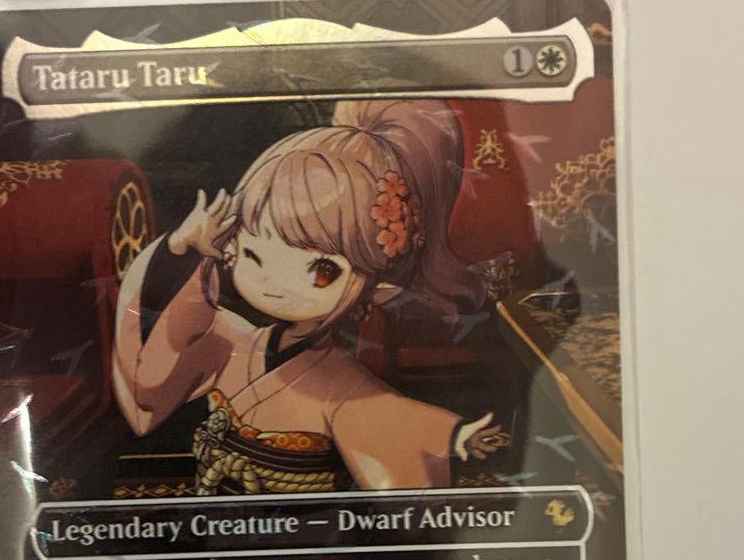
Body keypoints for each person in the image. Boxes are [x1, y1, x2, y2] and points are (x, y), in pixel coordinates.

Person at [112, 99, 500, 495]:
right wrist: (180, 252)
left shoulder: (339, 381)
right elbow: (158, 371)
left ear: (374, 284)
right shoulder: (234, 342)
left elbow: (389, 414)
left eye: (322, 271)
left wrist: (453, 436)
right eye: (253, 255)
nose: (274, 283)